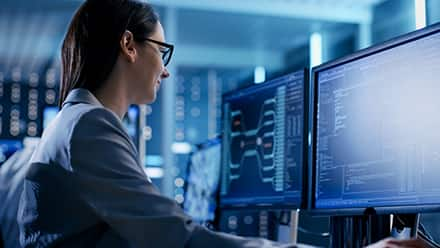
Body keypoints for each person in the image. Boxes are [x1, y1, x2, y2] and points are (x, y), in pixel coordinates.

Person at [16, 0, 429, 247]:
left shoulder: (77, 123)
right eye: (163, 50)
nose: (165, 71)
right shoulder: (88, 128)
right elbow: (181, 240)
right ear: (129, 45)